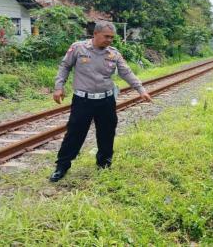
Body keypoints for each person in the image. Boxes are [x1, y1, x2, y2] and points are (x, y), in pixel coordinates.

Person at [49, 21, 152, 182]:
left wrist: (141, 90)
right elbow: (65, 66)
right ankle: (62, 166)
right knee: (74, 134)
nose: (110, 40)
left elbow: (126, 72)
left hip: (106, 101)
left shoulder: (114, 53)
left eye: (112, 37)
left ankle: (104, 164)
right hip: (83, 100)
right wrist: (58, 86)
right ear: (95, 34)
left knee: (107, 133)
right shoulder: (78, 48)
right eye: (106, 36)